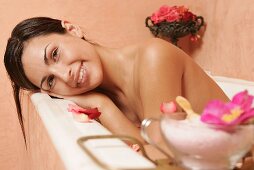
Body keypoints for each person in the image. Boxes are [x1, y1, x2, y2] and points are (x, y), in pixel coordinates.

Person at [5, 16, 237, 164]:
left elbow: (163, 159)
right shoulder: (106, 97)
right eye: (50, 81)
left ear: (72, 28)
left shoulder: (152, 57)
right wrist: (103, 104)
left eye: (54, 54)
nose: (65, 75)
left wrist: (103, 106)